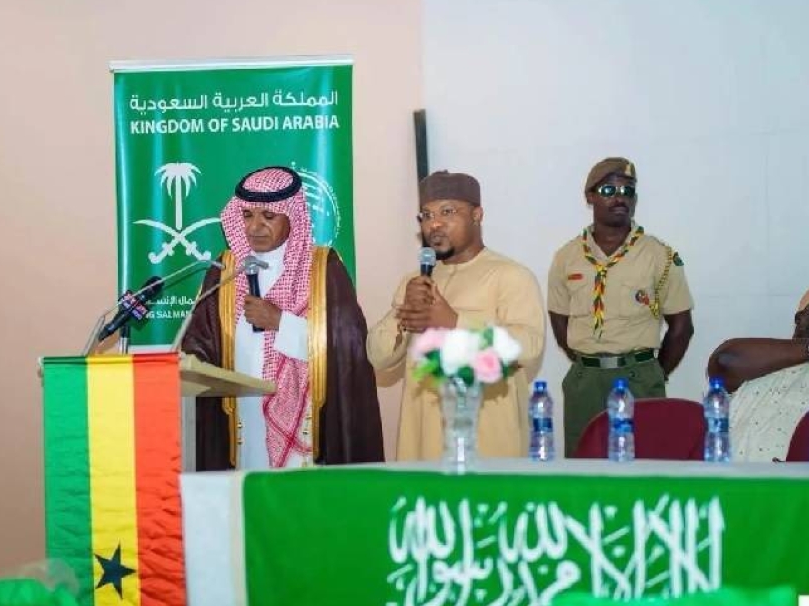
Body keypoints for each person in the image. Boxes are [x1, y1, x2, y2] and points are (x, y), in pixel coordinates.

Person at [181, 165, 383, 469]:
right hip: (238, 418)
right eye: (247, 215)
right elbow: (200, 343)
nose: (255, 227)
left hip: (305, 424)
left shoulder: (323, 269)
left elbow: (348, 347)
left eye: (268, 216)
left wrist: (281, 323)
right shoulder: (224, 271)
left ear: (292, 216)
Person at [366, 170, 546, 460]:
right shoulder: (415, 281)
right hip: (423, 444)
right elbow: (378, 357)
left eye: (447, 212)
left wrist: (454, 322)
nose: (435, 223)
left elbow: (529, 346)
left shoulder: (510, 276)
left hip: (487, 445)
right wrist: (402, 314)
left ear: (477, 215)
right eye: (426, 215)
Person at [547, 157, 694, 456]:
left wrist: (652, 373)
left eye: (628, 191)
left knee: (646, 463)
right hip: (585, 382)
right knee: (585, 465)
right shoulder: (567, 257)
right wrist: (588, 361)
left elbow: (682, 327)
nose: (619, 198)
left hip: (638, 379)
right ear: (590, 196)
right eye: (608, 190)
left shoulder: (659, 255)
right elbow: (559, 318)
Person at [707, 283, 809, 462]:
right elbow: (724, 359)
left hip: (801, 476)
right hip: (733, 474)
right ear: (800, 318)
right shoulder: (759, 363)